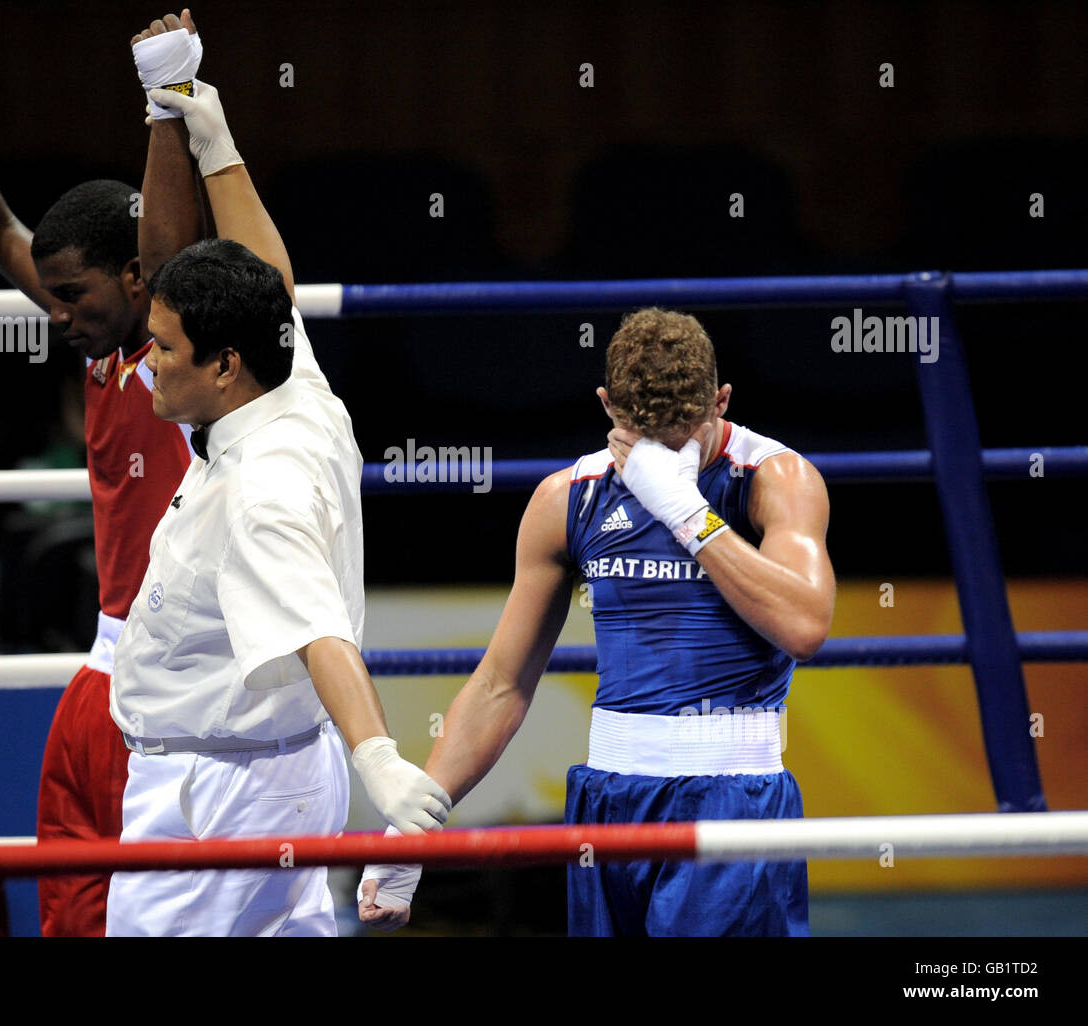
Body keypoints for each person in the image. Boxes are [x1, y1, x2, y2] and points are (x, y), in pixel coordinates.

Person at [0, 12, 213, 935]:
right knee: (70, 920)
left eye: (73, 297)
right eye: (52, 296)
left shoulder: (168, 352)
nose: (54, 315)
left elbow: (173, 255)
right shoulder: (98, 340)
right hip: (99, 684)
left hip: (171, 697)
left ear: (136, 282)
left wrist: (167, 101)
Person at [359, 307, 835, 936]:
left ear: (722, 401)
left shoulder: (774, 478)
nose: (668, 452)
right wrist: (410, 829)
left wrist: (684, 510)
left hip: (733, 798)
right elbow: (502, 682)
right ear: (608, 406)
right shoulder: (570, 498)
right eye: (646, 435)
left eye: (686, 432)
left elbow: (804, 626)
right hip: (608, 800)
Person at [105, 71, 450, 937]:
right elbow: (270, 280)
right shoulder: (288, 381)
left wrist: (387, 775)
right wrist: (214, 140)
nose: (149, 358)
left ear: (224, 365)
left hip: (222, 792)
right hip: (266, 773)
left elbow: (317, 632)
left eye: (168, 345)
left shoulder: (264, 489)